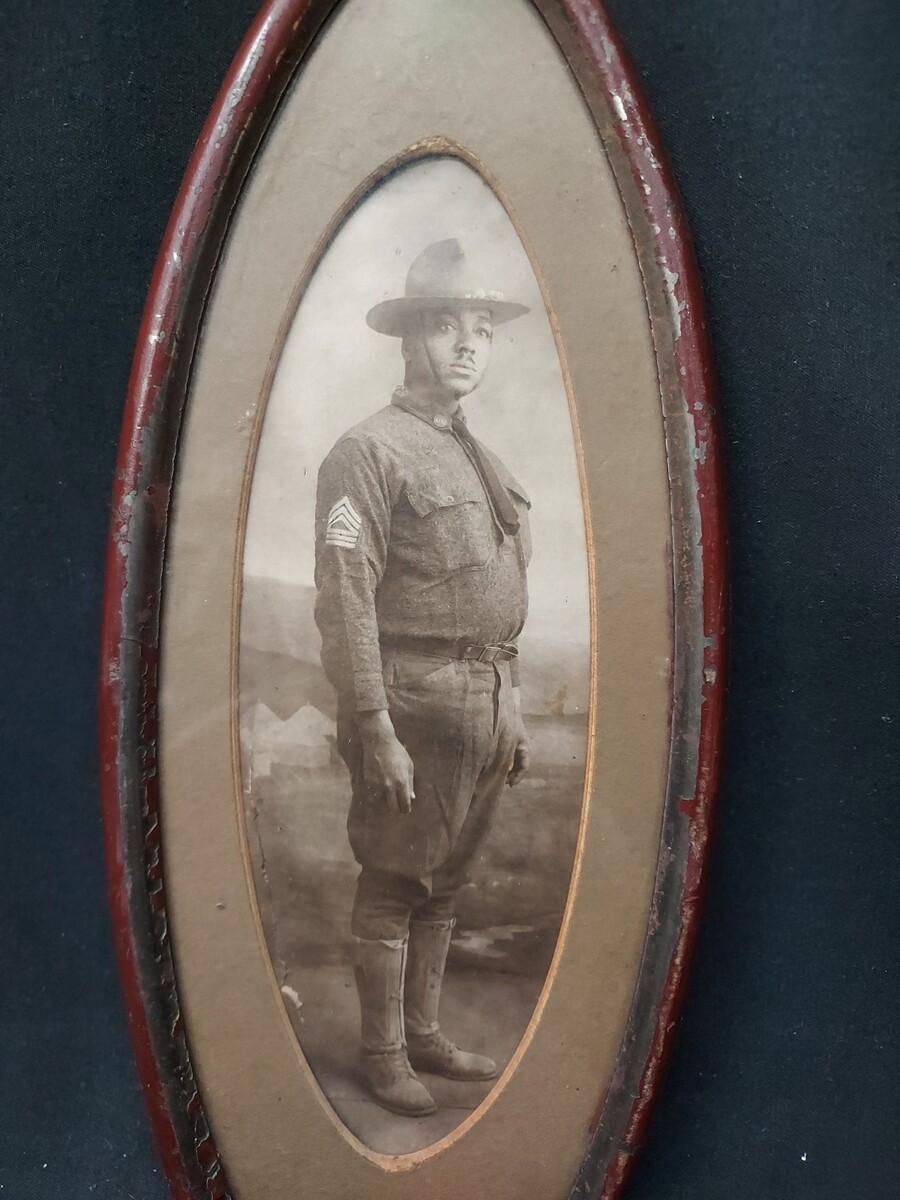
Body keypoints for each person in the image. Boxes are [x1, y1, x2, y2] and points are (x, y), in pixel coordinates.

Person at [314, 238, 532, 1117]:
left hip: (485, 700)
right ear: (408, 339)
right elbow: (346, 601)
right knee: (397, 880)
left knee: (448, 884)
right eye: (447, 325)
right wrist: (374, 727)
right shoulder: (367, 452)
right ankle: (382, 1055)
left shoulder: (481, 456)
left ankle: (427, 1034)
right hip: (412, 701)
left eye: (483, 328)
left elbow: (499, 595)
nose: (470, 343)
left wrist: (512, 707)